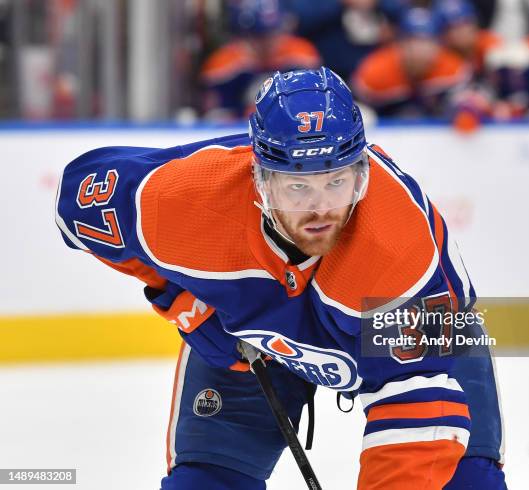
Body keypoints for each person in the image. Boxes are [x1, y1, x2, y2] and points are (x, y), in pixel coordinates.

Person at [55, 67, 506, 489]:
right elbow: (76, 204)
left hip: (426, 354)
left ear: (362, 173)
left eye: (337, 181)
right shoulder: (191, 198)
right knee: (206, 481)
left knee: (467, 481)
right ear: (260, 180)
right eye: (297, 186)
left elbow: (416, 406)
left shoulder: (397, 249)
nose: (321, 209)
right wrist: (183, 300)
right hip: (252, 341)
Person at [199, 0, 320, 119]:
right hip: (241, 132)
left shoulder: (302, 55)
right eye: (259, 36)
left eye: (275, 33)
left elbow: (314, 107)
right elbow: (214, 117)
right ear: (243, 34)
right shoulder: (223, 62)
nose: (268, 42)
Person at [352, 7, 472, 117]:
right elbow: (354, 106)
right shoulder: (374, 71)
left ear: (438, 45)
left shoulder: (453, 69)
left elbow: (468, 100)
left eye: (427, 42)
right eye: (413, 41)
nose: (420, 50)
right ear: (399, 44)